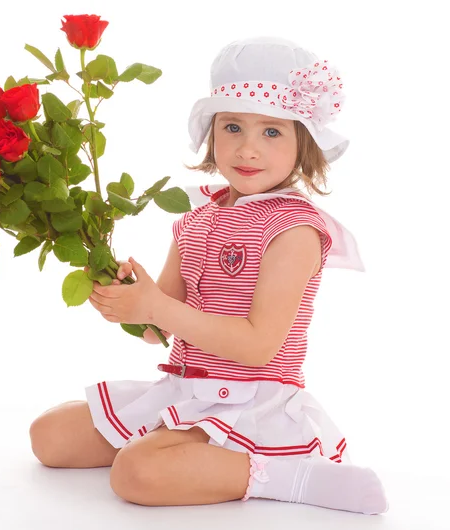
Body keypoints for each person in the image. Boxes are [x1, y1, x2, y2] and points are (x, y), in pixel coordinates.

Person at [29, 36, 389, 515]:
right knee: (48, 437)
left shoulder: (295, 228)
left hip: (252, 399)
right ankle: (183, 450)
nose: (247, 148)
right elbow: (158, 329)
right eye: (233, 126)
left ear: (304, 142)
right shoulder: (196, 216)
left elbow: (259, 345)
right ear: (211, 132)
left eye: (272, 132)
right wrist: (130, 304)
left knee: (136, 474)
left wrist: (158, 307)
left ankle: (288, 473)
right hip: (186, 386)